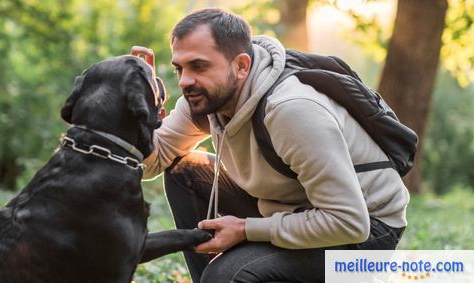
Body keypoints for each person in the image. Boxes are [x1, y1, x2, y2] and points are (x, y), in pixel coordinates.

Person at [141, 8, 408, 283]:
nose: (185, 81)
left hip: (367, 232)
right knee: (185, 171)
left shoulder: (290, 110)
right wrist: (133, 115)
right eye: (179, 68)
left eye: (198, 66)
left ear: (241, 65)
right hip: (291, 208)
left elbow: (349, 222)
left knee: (227, 275)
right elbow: (152, 162)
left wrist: (246, 229)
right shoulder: (205, 99)